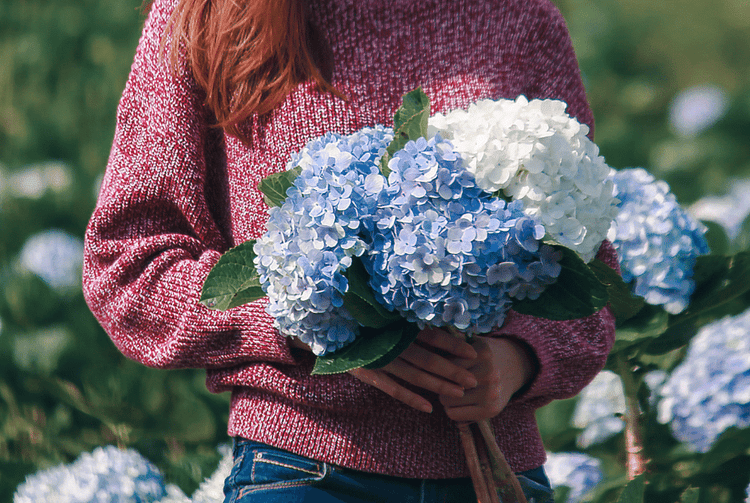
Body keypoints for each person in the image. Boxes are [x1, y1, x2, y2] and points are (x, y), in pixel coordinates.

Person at [82, 0, 618, 501]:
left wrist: (513, 362)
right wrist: (314, 321)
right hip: (302, 472)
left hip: (497, 476)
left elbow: (592, 286)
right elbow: (125, 266)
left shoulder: (520, 19)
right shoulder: (209, 14)